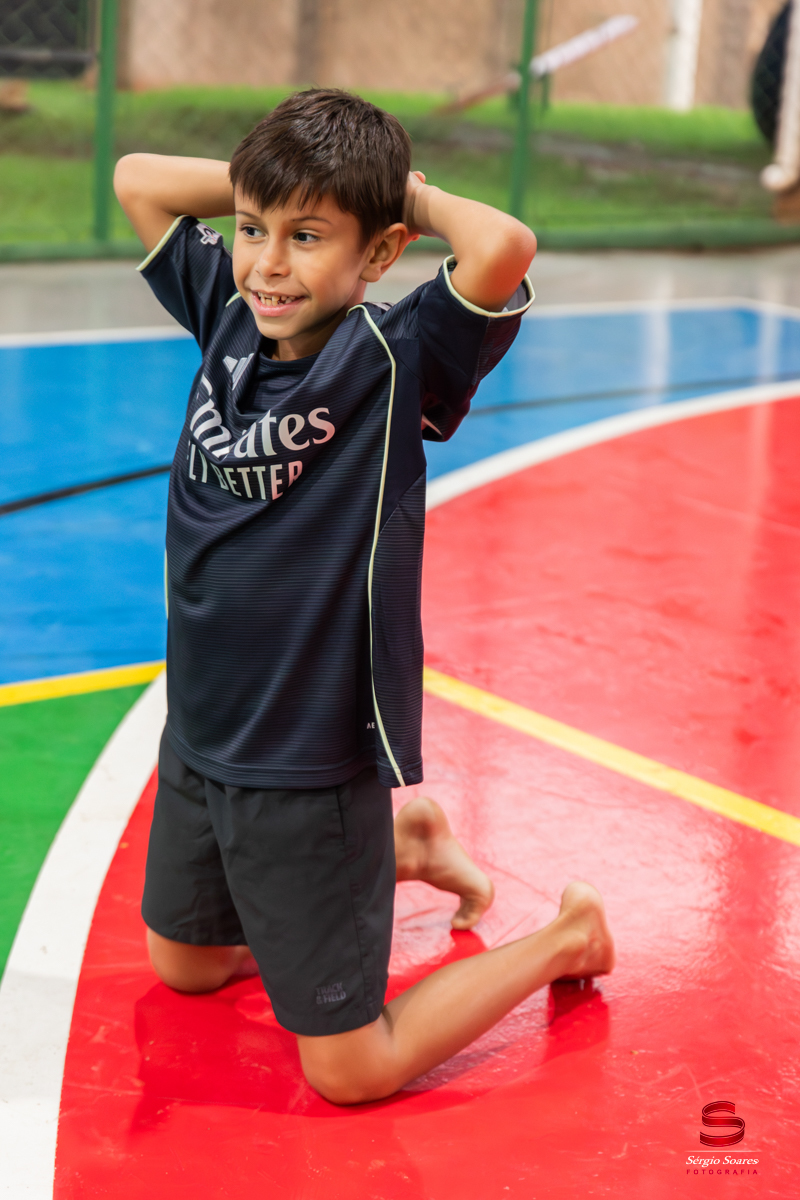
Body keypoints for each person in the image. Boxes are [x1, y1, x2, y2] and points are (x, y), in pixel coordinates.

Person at [114, 88, 614, 1107]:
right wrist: (280, 191)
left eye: (307, 238)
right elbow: (137, 180)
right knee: (186, 964)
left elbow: (503, 244)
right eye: (252, 231)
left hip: (304, 748)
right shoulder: (229, 320)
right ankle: (405, 846)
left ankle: (567, 935)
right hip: (201, 727)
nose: (267, 264)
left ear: (379, 251)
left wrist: (403, 198)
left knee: (350, 1068)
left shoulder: (392, 356)